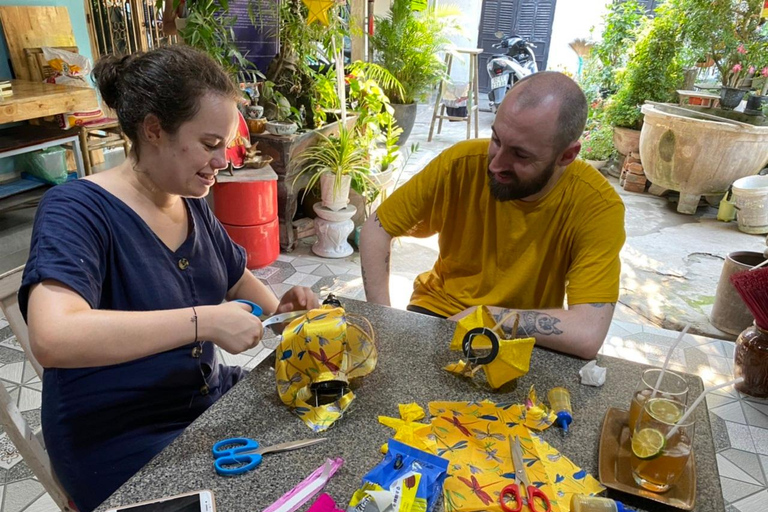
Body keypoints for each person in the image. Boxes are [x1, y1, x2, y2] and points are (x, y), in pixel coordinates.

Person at [19, 46, 319, 511]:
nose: (223, 161)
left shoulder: (190, 199)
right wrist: (205, 321)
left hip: (205, 407)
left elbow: (237, 282)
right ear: (154, 129)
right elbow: (54, 336)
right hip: (119, 440)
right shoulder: (77, 209)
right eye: (209, 144)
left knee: (320, 441)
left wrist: (284, 313)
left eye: (227, 145)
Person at [360, 71, 625, 360]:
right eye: (496, 140)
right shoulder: (460, 164)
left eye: (520, 155)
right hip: (438, 312)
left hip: (519, 334)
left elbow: (588, 334)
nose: (496, 164)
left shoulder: (597, 206)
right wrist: (383, 321)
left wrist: (487, 315)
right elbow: (376, 228)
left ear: (567, 156)